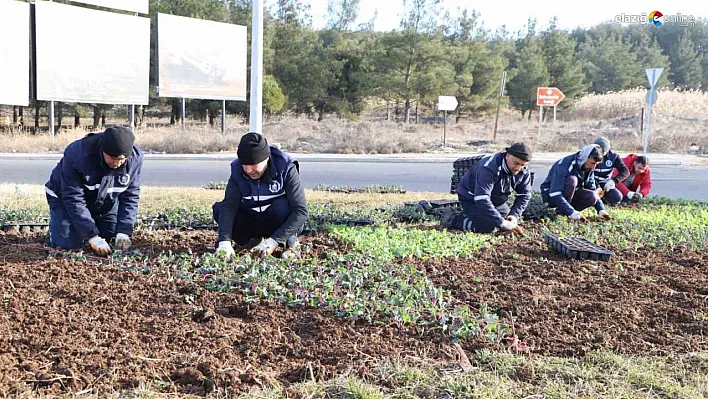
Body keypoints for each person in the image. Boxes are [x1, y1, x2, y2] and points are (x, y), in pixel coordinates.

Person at [44, 126, 143, 255]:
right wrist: (92, 236)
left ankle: (91, 224)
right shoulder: (77, 155)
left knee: (110, 237)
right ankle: (56, 230)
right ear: (102, 150)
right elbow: (73, 198)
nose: (117, 163)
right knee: (68, 244)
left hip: (103, 199)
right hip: (64, 198)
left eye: (121, 160)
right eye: (113, 158)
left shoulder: (135, 159)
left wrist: (124, 232)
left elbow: (130, 197)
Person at [213, 132, 308, 259]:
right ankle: (251, 242)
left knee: (284, 206)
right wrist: (224, 241)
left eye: (253, 165)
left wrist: (273, 241)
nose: (248, 170)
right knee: (220, 209)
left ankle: (290, 244)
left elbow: (301, 211)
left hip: (276, 222)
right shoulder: (237, 171)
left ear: (266, 158)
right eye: (244, 165)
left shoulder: (286, 168)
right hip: (254, 219)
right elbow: (229, 206)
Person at [440, 142, 533, 234]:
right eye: (516, 163)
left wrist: (514, 215)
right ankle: (453, 219)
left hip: (496, 199)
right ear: (507, 155)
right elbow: (482, 199)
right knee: (488, 227)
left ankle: (471, 215)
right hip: (472, 198)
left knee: (505, 222)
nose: (518, 168)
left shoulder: (523, 170)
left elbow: (524, 195)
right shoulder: (489, 168)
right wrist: (501, 222)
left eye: (523, 165)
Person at [540, 144, 611, 221]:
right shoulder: (564, 165)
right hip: (551, 195)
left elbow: (593, 189)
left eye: (596, 164)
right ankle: (562, 213)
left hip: (570, 195)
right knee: (572, 180)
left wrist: (601, 210)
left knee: (593, 196)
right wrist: (570, 212)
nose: (594, 167)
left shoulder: (589, 168)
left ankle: (571, 212)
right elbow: (555, 193)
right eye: (592, 163)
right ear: (584, 158)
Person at [591, 137, 629, 205]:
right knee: (590, 196)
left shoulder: (614, 157)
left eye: (603, 152)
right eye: (599, 152)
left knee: (617, 197)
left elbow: (625, 171)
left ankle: (603, 199)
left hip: (605, 184)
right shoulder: (590, 154)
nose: (601, 154)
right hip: (591, 182)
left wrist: (614, 181)